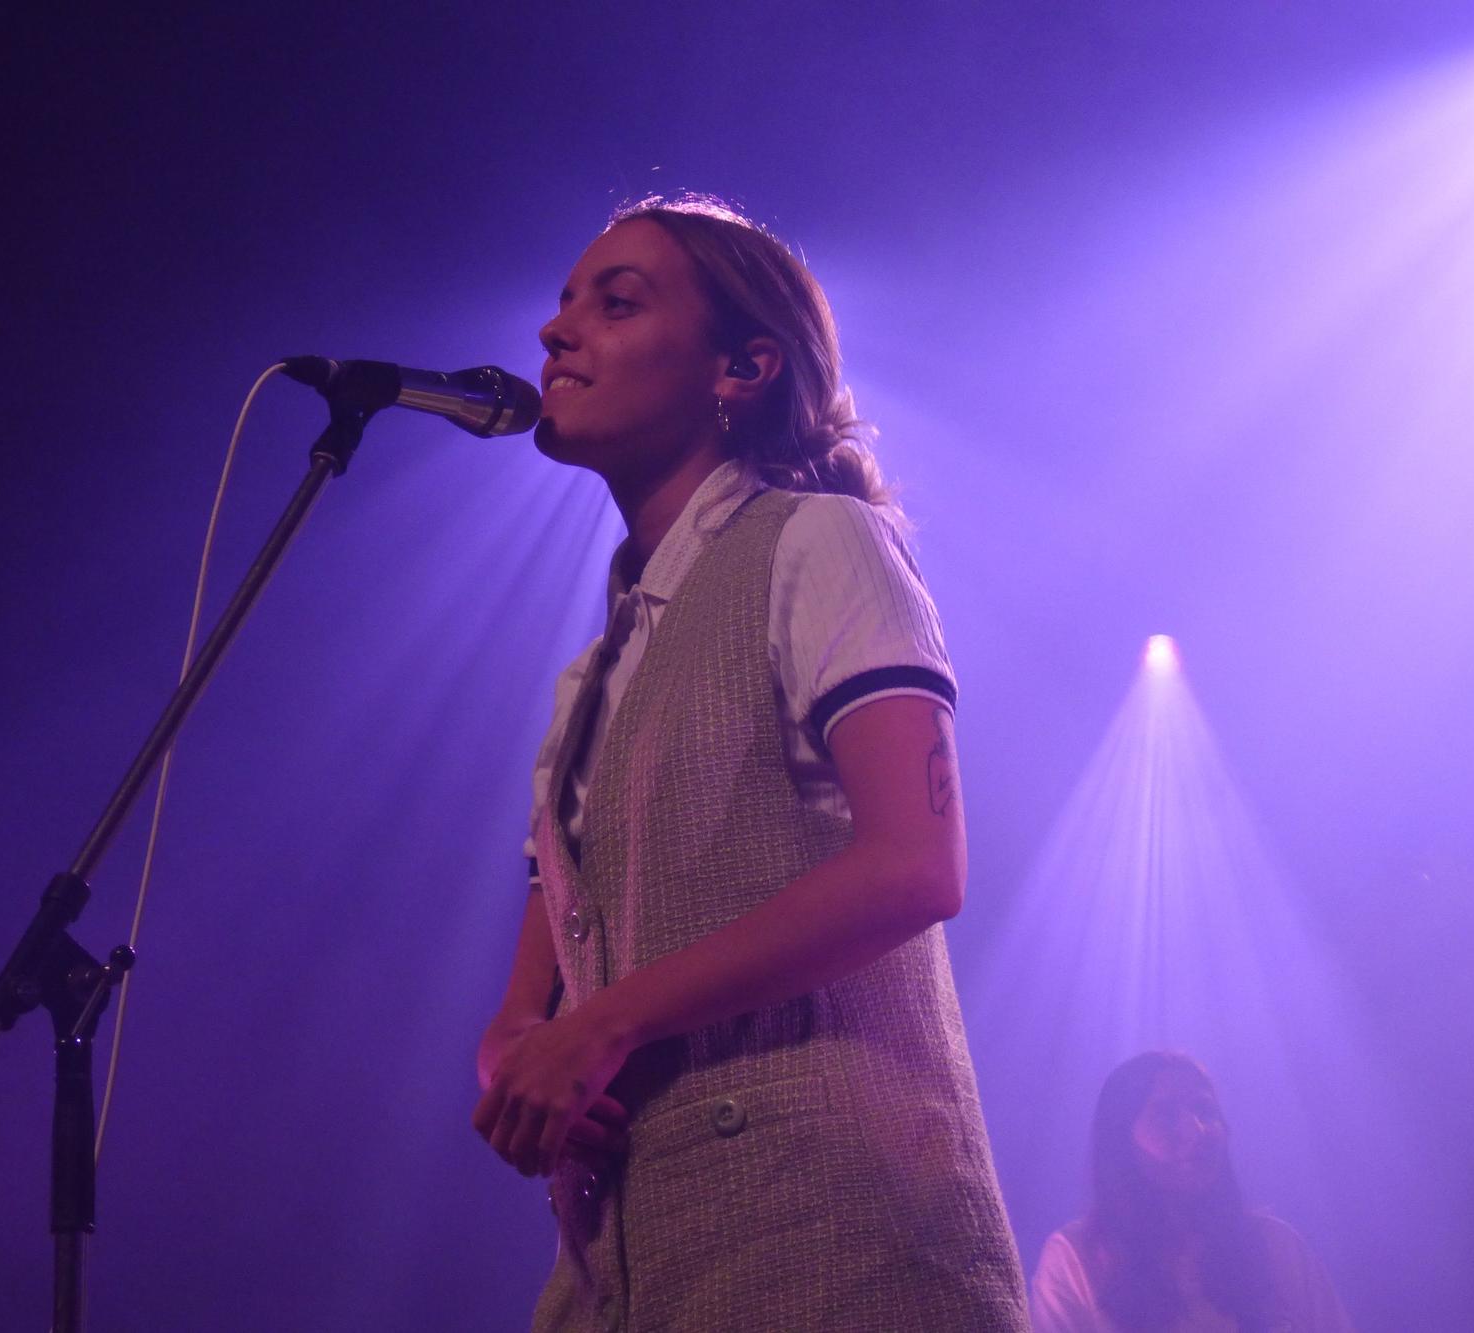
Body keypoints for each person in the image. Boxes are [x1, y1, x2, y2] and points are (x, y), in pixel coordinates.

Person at [470, 194, 1027, 1330]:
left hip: (835, 1243)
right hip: (635, 1262)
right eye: (564, 299)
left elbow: (915, 866)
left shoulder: (820, 541)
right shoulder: (590, 678)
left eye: (614, 302)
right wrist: (513, 1061)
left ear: (742, 367)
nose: (553, 331)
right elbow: (537, 1000)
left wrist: (603, 1025)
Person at [1028, 1052, 1353, 1332]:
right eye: (1167, 1114)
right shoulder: (1077, 1255)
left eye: (1206, 1111)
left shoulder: (1276, 1246)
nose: (1197, 1130)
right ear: (1120, 1140)